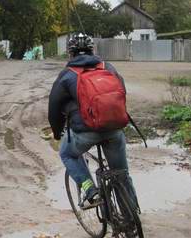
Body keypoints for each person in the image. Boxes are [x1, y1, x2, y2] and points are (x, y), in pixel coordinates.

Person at [47, 32, 135, 206]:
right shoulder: (108, 67)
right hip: (114, 129)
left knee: (66, 153)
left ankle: (89, 189)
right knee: (122, 174)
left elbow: (54, 108)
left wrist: (57, 133)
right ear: (92, 50)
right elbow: (121, 93)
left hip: (85, 131)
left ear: (70, 53)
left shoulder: (67, 74)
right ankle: (130, 222)